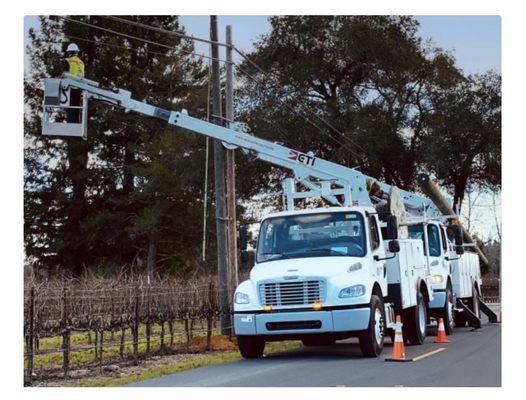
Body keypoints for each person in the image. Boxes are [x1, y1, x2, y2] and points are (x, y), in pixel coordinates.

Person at [63, 43, 85, 123]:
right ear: (77, 52)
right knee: (77, 108)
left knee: (70, 108)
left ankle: (71, 123)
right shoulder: (81, 62)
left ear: (69, 52)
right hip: (79, 88)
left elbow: (64, 74)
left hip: (70, 87)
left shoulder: (68, 61)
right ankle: (76, 123)